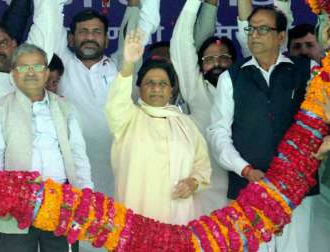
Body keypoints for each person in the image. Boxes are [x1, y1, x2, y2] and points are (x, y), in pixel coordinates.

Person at [208, 6, 317, 252]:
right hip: (250, 188)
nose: (254, 34)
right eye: (251, 29)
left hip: (296, 188)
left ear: (281, 37)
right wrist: (244, 169)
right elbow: (218, 132)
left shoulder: (305, 71)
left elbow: (322, 119)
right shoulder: (231, 78)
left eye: (263, 29)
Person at [0, 43, 93, 252]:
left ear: (47, 72)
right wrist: (0, 200)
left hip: (62, 204)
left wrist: (86, 195)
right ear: (13, 74)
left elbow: (79, 156)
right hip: (15, 206)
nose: (30, 73)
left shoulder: (65, 107)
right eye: (23, 67)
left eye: (37, 67)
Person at [0, 0, 62, 251]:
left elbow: (47, 24)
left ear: (14, 45)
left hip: (39, 186)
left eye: (3, 43)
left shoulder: (29, 73)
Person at [56, 0, 161, 198]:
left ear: (106, 39)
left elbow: (148, 22)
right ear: (71, 39)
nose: (89, 37)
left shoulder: (122, 65)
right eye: (83, 31)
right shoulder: (62, 66)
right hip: (77, 179)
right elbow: (48, 15)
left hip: (121, 174)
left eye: (96, 32)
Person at [105, 29, 211, 225]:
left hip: (180, 219)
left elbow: (202, 166)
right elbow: (116, 102)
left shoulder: (186, 124)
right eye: (149, 83)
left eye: (163, 83)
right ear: (139, 88)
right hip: (137, 220)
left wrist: (193, 182)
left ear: (171, 90)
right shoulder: (127, 118)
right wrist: (128, 64)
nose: (156, 88)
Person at [170, 0, 236, 214]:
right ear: (200, 65)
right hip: (202, 192)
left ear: (234, 63)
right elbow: (181, 42)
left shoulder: (245, 89)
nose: (217, 63)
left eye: (224, 58)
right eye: (209, 59)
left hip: (243, 190)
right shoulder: (196, 89)